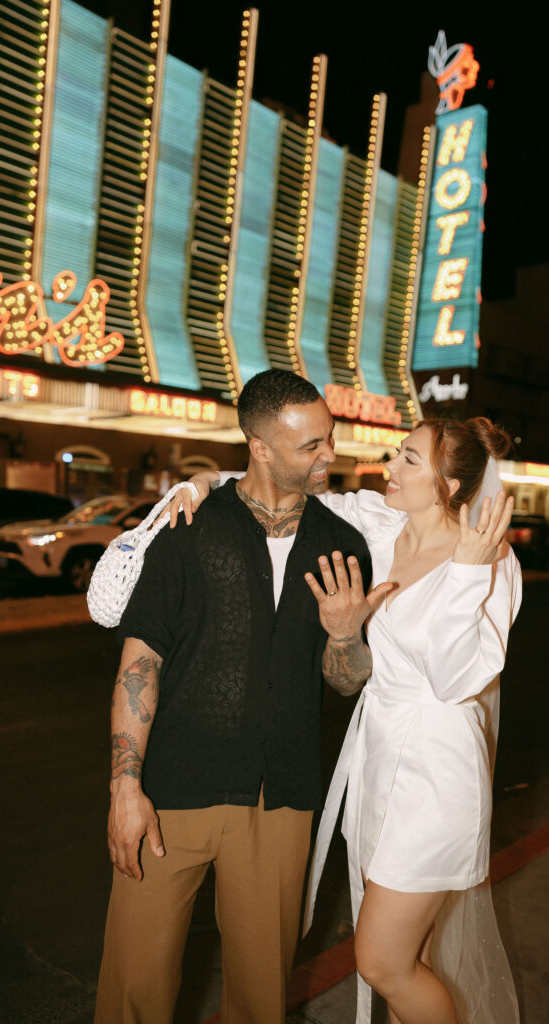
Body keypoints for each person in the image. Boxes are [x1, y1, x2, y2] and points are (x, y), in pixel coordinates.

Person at [175, 416, 521, 1024]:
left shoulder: (491, 562)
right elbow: (288, 491)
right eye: (397, 453)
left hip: (438, 771)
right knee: (404, 954)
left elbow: (454, 679)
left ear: (449, 483)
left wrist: (466, 570)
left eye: (409, 460)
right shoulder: (383, 524)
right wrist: (206, 482)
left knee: (384, 961)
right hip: (378, 757)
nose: (389, 467)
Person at [94, 369, 379, 1024]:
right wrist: (124, 790)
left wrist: (344, 637)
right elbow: (140, 664)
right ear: (259, 445)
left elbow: (346, 680)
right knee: (135, 985)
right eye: (310, 445)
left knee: (261, 995)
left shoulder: (340, 545)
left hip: (279, 799)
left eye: (328, 438)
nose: (328, 455)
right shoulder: (187, 530)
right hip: (170, 793)